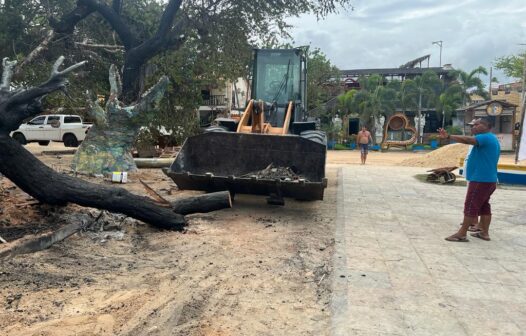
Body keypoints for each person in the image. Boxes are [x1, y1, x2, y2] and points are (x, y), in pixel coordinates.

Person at [439, 118, 500, 242]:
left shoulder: (485, 137)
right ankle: (484, 233)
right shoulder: (490, 138)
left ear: (487, 126)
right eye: (472, 125)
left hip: (481, 180)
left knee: (470, 205)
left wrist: (449, 136)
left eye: (477, 124)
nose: (473, 127)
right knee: (484, 206)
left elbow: (467, 140)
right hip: (488, 179)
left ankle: (461, 234)